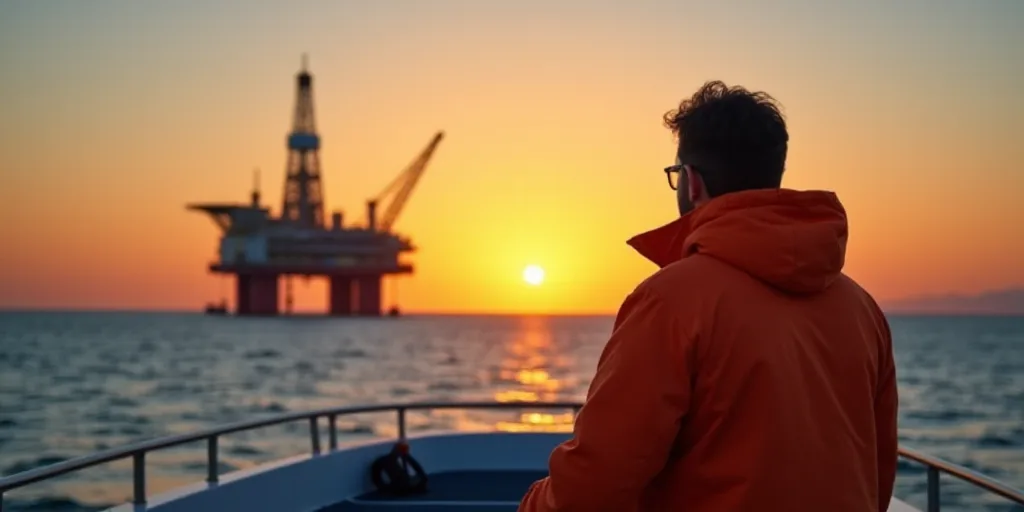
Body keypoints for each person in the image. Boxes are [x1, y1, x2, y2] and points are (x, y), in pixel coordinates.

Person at [517, 81, 898, 512]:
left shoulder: (673, 301)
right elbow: (879, 472)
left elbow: (595, 485)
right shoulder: (863, 310)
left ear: (692, 182)